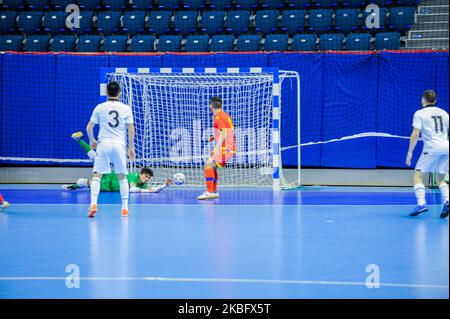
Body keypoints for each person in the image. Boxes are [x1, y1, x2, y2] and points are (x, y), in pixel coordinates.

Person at [62, 132, 172, 193]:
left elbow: (153, 190)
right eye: (146, 176)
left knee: (85, 183)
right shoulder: (134, 176)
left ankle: (74, 185)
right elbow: (133, 189)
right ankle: (79, 140)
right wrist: (148, 192)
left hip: (108, 188)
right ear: (141, 174)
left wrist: (164, 185)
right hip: (111, 176)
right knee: (96, 158)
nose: (147, 179)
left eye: (148, 178)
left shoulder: (142, 185)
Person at [86, 81, 135, 218]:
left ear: (107, 93)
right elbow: (131, 129)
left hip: (104, 144)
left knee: (97, 175)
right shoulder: (126, 108)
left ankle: (94, 204)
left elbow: (89, 127)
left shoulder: (100, 107)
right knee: (122, 176)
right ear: (119, 93)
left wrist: (92, 140)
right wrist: (131, 147)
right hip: (119, 144)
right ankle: (124, 207)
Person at [406, 90, 449, 218]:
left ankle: (421, 204)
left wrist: (409, 153)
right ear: (435, 100)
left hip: (431, 148)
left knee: (417, 177)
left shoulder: (419, 113)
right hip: (446, 147)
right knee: (441, 179)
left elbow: (415, 134)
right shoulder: (444, 113)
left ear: (423, 100)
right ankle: (447, 200)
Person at [198, 97, 236, 200]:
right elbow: (224, 133)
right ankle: (213, 192)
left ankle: (210, 192)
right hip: (228, 147)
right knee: (212, 167)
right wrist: (213, 138)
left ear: (211, 106)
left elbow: (223, 134)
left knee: (208, 166)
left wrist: (216, 149)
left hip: (226, 148)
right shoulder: (224, 115)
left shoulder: (218, 117)